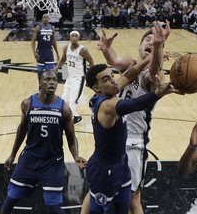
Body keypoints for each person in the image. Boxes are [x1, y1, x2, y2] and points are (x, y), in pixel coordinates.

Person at [84, 58, 180, 214]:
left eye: (112, 76)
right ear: (97, 88)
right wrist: (157, 94)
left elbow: (129, 76)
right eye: (106, 79)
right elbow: (134, 105)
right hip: (103, 171)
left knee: (124, 207)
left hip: (121, 164)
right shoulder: (106, 106)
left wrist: (149, 59)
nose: (114, 81)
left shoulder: (110, 91)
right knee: (99, 211)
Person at [94, 21, 171, 214]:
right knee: (104, 193)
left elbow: (152, 70)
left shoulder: (155, 75)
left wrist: (158, 48)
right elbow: (115, 61)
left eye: (155, 41)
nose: (151, 42)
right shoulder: (130, 64)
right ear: (139, 45)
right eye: (148, 39)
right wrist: (105, 49)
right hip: (115, 139)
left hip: (135, 143)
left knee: (133, 198)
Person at [0, 70, 87, 214]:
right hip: (29, 160)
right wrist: (12, 155)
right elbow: (22, 129)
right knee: (10, 200)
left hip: (52, 163)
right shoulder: (28, 103)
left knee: (53, 207)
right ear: (40, 81)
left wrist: (76, 156)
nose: (52, 82)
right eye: (47, 79)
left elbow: (71, 137)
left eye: (54, 80)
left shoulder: (64, 108)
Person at [54, 30, 94, 124]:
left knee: (73, 101)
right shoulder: (66, 48)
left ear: (78, 38)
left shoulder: (83, 50)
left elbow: (91, 62)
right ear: (70, 37)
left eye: (76, 36)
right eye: (73, 36)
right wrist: (55, 68)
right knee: (64, 100)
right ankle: (74, 117)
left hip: (79, 78)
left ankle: (75, 117)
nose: (74, 38)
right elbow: (63, 59)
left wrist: (90, 77)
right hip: (70, 78)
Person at [31, 13, 60, 89]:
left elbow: (54, 41)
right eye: (44, 17)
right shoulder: (38, 27)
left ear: (49, 19)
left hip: (49, 52)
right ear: (42, 19)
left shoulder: (52, 28)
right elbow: (33, 41)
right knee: (40, 73)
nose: (45, 18)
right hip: (40, 52)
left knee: (50, 73)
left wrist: (57, 53)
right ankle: (40, 87)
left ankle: (48, 88)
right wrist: (34, 52)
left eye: (47, 17)